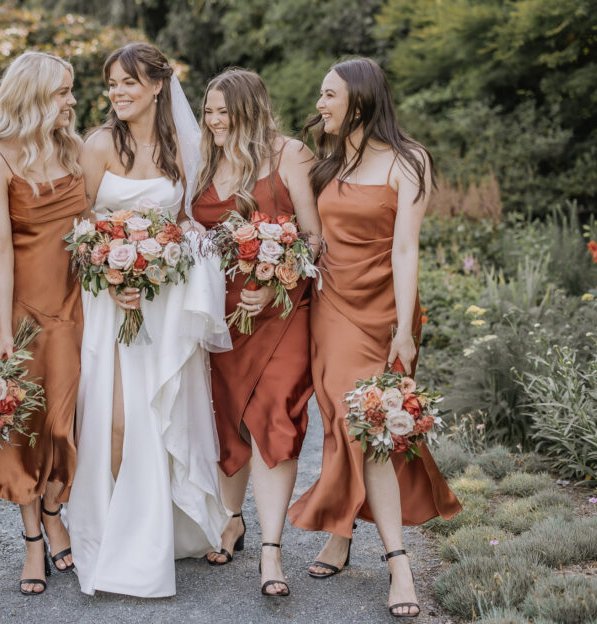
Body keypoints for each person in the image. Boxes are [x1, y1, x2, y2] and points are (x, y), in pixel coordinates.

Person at [285, 57, 461, 618]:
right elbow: (310, 232)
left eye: (329, 95)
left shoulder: (409, 161)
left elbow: (406, 249)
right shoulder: (329, 161)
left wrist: (405, 331)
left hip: (384, 312)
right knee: (348, 422)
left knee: (375, 428)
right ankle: (347, 537)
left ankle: (395, 563)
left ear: (359, 99)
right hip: (330, 311)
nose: (320, 104)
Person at [66, 42, 231, 598]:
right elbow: (80, 226)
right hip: (110, 301)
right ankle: (112, 530)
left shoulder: (184, 147)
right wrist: (112, 272)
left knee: (161, 415)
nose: (117, 92)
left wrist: (161, 258)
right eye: (111, 83)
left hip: (161, 299)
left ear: (157, 86)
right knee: (115, 420)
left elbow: (190, 224)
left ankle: (163, 527)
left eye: (128, 82)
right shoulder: (96, 146)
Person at [191, 68, 321, 597]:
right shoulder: (203, 161)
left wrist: (274, 285)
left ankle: (271, 550)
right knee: (226, 420)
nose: (215, 120)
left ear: (250, 109)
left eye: (224, 110)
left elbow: (313, 237)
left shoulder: (290, 155)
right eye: (209, 110)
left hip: (282, 309)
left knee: (275, 415)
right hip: (219, 314)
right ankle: (231, 518)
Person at [0, 51, 85, 596]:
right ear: (36, 96)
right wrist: (1, 332)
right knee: (23, 426)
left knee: (65, 422)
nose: (72, 101)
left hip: (75, 305)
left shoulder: (74, 148)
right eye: (64, 92)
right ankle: (32, 539)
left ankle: (55, 506)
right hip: (20, 313)